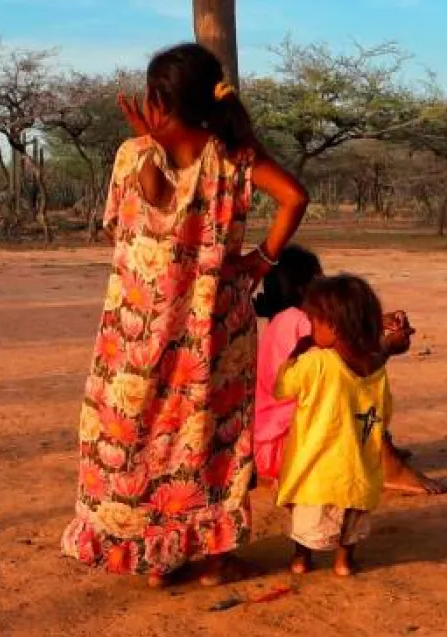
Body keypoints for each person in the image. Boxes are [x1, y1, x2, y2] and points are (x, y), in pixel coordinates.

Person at [62, 43, 309, 588]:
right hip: (213, 329)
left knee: (138, 435)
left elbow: (139, 212)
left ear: (158, 101)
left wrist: (150, 144)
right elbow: (294, 196)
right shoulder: (234, 155)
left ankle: (157, 557)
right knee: (208, 437)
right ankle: (215, 559)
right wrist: (262, 259)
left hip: (135, 334)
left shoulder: (134, 154)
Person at [254, 245, 447, 495]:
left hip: (273, 447)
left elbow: (340, 331)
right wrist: (386, 347)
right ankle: (387, 465)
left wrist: (377, 321)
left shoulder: (285, 319)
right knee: (357, 377)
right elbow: (351, 356)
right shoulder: (298, 320)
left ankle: (377, 447)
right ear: (305, 288)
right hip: (289, 448)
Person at [274, 275, 393, 577]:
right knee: (352, 515)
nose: (311, 329)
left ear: (334, 326)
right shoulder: (376, 367)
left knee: (309, 517)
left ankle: (301, 559)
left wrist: (297, 352)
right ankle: (344, 562)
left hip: (318, 466)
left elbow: (282, 387)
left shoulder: (316, 362)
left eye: (315, 322)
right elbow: (386, 410)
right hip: (358, 466)